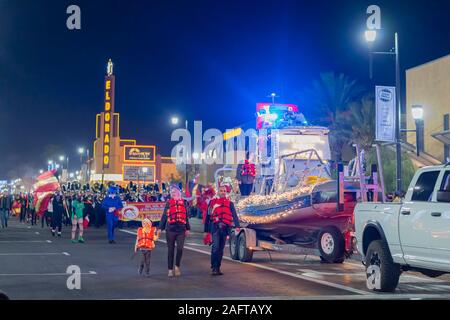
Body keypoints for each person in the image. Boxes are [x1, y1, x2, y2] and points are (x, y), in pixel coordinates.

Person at [204, 185, 240, 275]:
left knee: (220, 249)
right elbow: (208, 217)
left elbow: (234, 215)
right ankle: (214, 267)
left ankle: (218, 267)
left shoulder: (230, 203)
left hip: (225, 228)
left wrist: (237, 226)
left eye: (224, 191)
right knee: (215, 247)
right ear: (218, 192)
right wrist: (206, 231)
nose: (223, 192)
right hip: (215, 227)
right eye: (221, 190)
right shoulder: (212, 203)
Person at [157, 185, 190, 277]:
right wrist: (160, 228)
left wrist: (188, 228)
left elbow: (186, 216)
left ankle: (177, 266)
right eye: (171, 192)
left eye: (174, 191)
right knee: (170, 250)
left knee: (180, 248)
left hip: (181, 229)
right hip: (170, 229)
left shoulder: (184, 203)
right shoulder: (168, 203)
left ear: (179, 192)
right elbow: (164, 216)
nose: (173, 193)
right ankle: (170, 269)